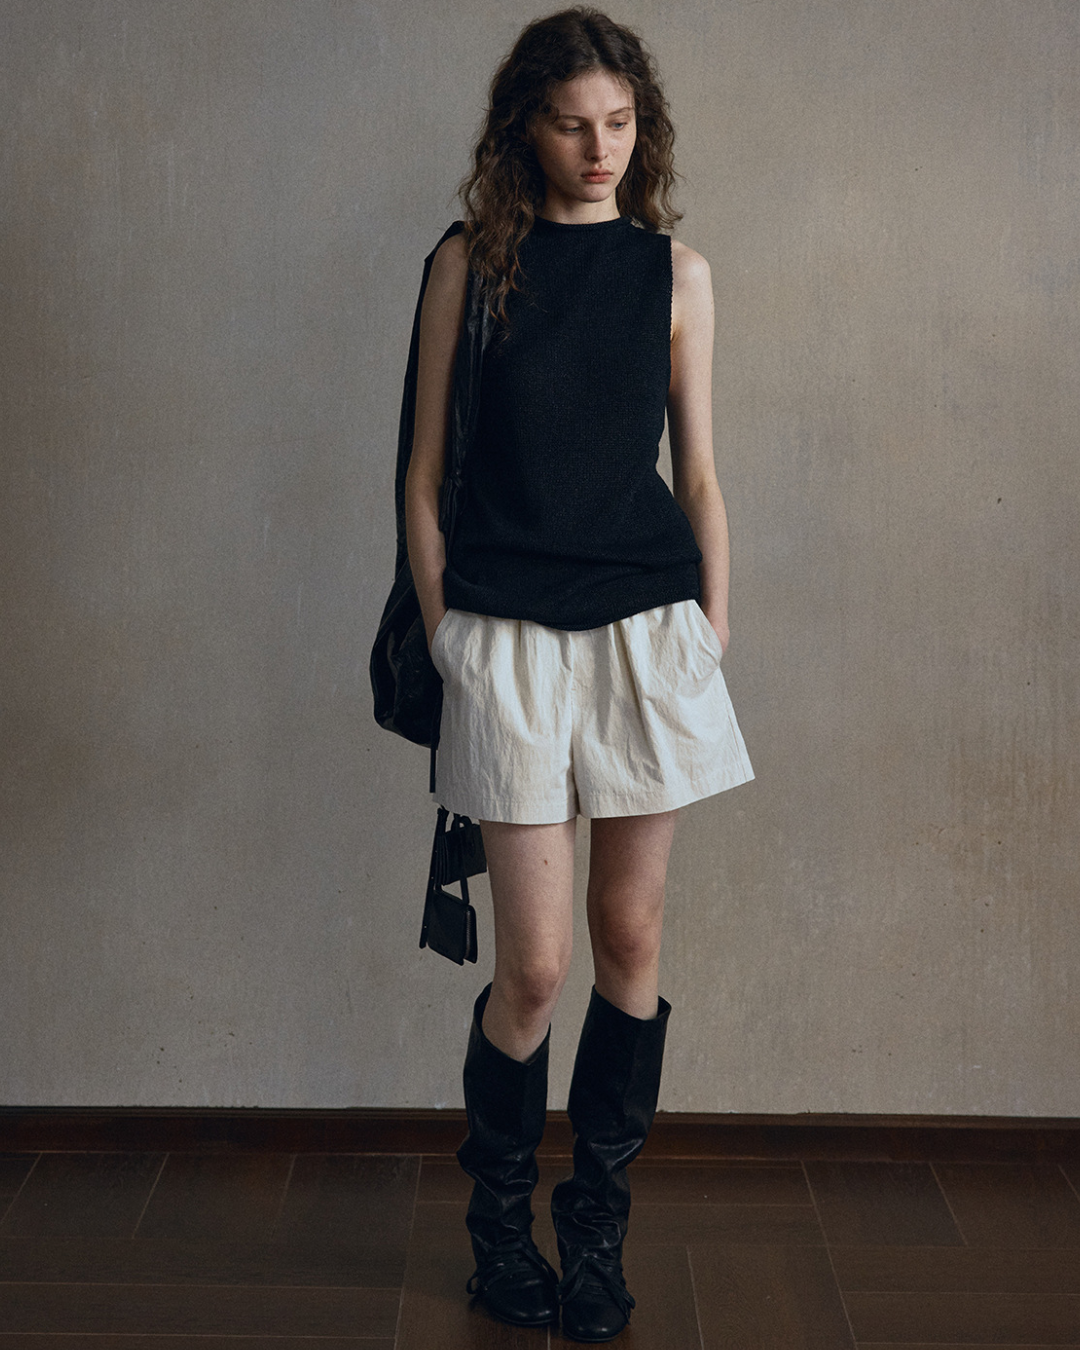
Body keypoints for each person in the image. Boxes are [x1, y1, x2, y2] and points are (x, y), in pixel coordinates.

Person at [403, 7, 753, 1340]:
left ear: (640, 127)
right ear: (524, 130)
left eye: (619, 123)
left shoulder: (677, 275)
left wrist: (712, 622)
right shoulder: (469, 265)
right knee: (535, 967)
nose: (599, 149)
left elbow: (699, 472)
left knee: (628, 941)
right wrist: (447, 629)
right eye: (570, 125)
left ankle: (595, 1238)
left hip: (647, 630)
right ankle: (501, 1235)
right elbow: (423, 478)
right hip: (505, 636)